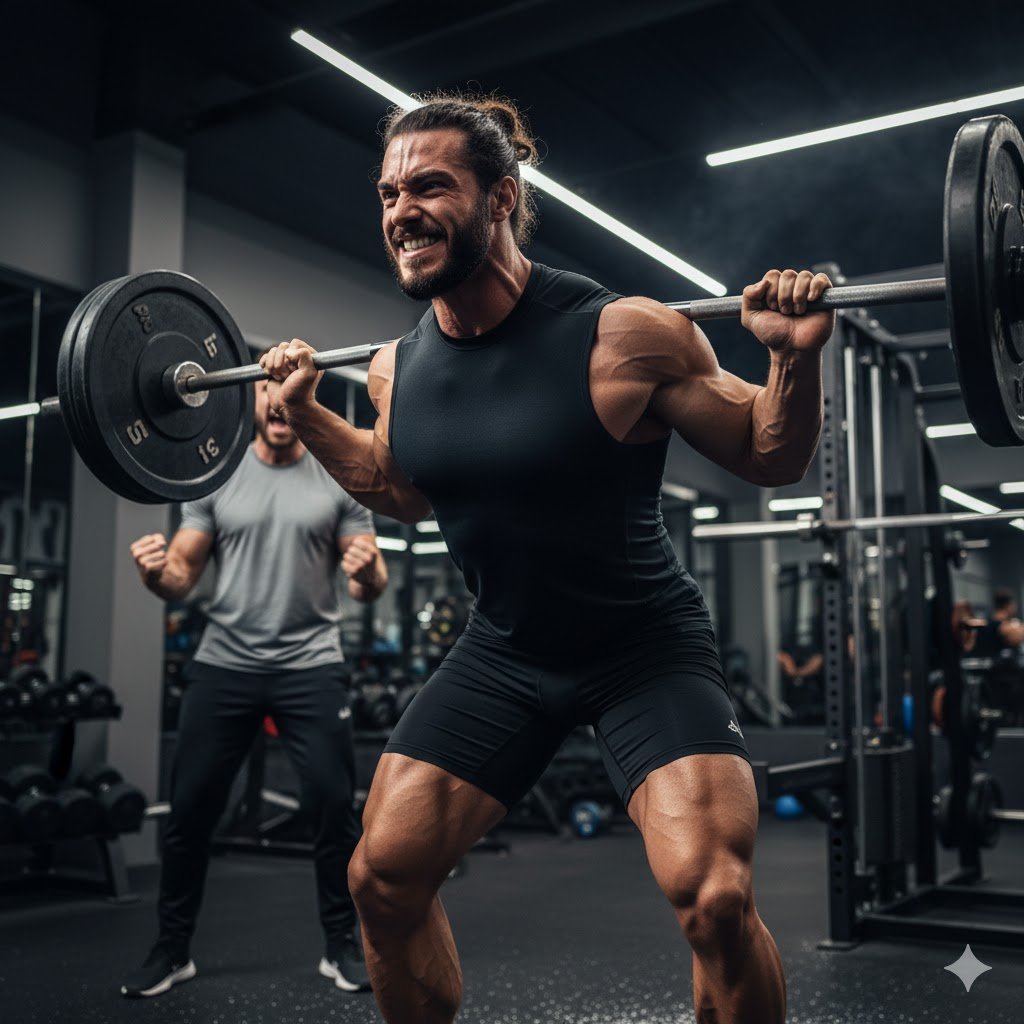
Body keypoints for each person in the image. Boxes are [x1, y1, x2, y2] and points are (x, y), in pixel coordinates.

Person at [261, 95, 835, 1024]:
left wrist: (792, 362)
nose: (400, 210)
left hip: (641, 649)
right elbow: (401, 484)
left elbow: (770, 454)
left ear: (501, 197)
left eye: (430, 186)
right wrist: (315, 415)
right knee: (382, 879)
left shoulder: (627, 333)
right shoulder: (395, 369)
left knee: (715, 900)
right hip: (506, 652)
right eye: (388, 193)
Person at [120, 371, 388, 999]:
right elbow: (183, 572)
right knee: (190, 811)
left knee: (330, 805)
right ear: (252, 400)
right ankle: (172, 948)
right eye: (266, 388)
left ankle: (340, 944)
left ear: (301, 402)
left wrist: (372, 572)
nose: (276, 400)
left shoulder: (337, 478)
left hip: (310, 664)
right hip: (225, 664)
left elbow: (363, 583)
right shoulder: (216, 477)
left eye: (288, 389)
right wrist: (158, 576)